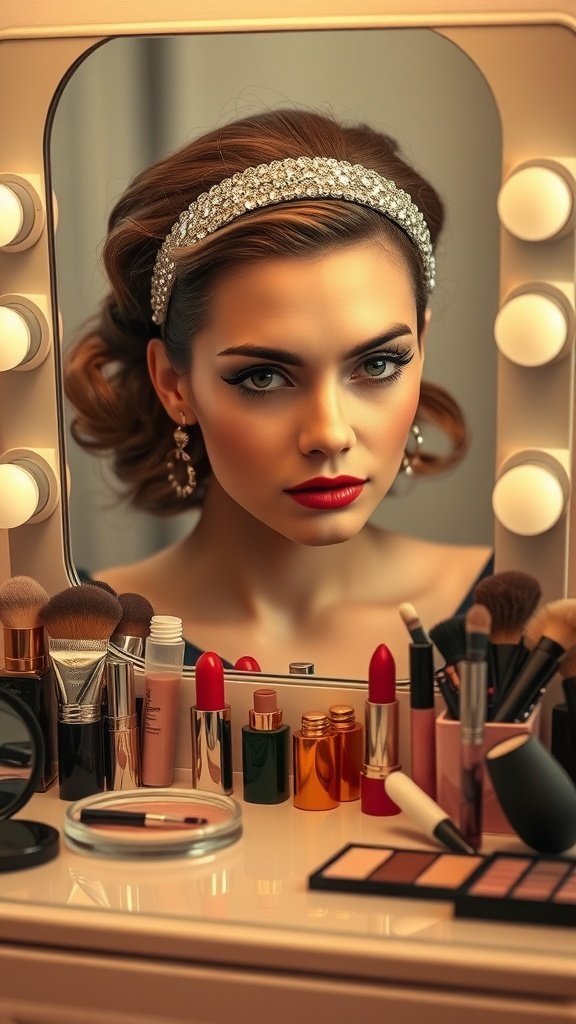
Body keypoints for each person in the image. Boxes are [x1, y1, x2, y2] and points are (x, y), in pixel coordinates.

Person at [65, 108, 491, 679]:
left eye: (378, 364)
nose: (329, 434)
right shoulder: (83, 639)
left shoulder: (515, 608)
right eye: (263, 377)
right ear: (173, 384)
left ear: (423, 347)